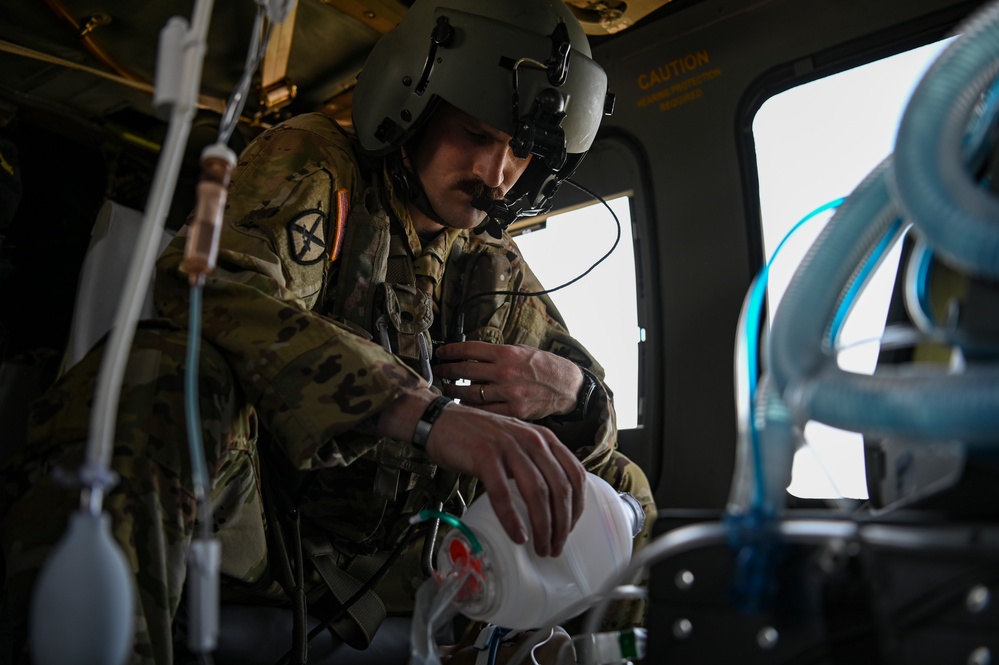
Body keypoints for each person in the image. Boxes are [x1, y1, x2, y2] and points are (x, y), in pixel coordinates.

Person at [1, 0, 657, 663]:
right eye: (474, 134)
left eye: (518, 148)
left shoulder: (489, 260)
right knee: (165, 372)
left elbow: (583, 420)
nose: (497, 172)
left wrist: (578, 396)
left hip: (415, 552)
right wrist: (425, 416)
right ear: (413, 107)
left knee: (626, 492)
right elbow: (217, 290)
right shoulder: (323, 163)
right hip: (274, 523)